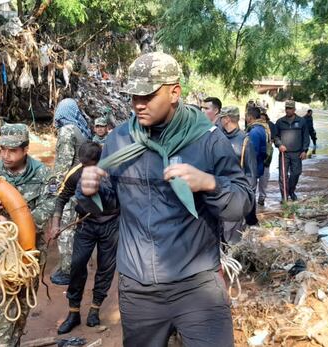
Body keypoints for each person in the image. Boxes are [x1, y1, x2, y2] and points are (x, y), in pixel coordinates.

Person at [77, 52, 251, 347]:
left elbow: (241, 204)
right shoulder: (119, 140)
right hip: (138, 288)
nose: (138, 104)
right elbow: (109, 206)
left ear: (174, 92)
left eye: (147, 95)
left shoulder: (208, 139)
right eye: (133, 96)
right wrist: (90, 191)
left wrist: (209, 183)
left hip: (196, 286)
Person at [0, 123, 57, 346]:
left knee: (23, 308)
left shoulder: (44, 176)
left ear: (26, 149)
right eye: (2, 149)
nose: (6, 155)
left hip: (29, 255)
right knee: (1, 313)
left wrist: (15, 224)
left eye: (13, 150)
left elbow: (49, 208)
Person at [49, 142, 120, 334]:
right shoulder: (76, 173)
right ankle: (73, 313)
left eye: (90, 165)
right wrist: (56, 225)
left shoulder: (112, 172)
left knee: (105, 267)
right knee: (77, 265)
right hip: (86, 224)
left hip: (111, 225)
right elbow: (61, 197)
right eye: (83, 164)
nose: (86, 169)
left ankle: (95, 309)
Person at [51, 98, 91, 285]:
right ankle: (77, 265)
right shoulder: (80, 129)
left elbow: (63, 165)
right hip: (82, 186)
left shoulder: (67, 131)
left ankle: (68, 271)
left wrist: (54, 190)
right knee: (76, 228)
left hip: (70, 188)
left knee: (66, 231)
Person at [220, 106, 260, 235]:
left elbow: (251, 175)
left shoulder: (245, 141)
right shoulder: (218, 138)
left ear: (226, 119)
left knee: (233, 235)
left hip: (236, 195)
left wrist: (247, 203)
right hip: (220, 191)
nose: (219, 121)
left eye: (221, 118)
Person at [274, 100, 309, 202]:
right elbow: (275, 137)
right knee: (282, 176)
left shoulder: (301, 121)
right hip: (284, 153)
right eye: (286, 108)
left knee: (296, 173)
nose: (288, 110)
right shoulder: (280, 122)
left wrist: (304, 151)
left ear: (294, 109)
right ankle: (284, 196)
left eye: (290, 109)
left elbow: (306, 137)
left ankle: (291, 191)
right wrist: (279, 145)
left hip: (297, 153)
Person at [256, 109, 275, 206]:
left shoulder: (271, 125)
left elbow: (273, 139)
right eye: (260, 118)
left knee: (264, 176)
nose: (262, 120)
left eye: (264, 118)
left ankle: (262, 197)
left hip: (266, 155)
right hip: (256, 154)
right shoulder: (253, 126)